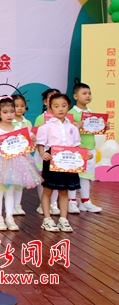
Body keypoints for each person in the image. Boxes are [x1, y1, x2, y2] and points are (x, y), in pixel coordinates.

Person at [0, 96, 42, 231]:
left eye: (12, 111)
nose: (9, 115)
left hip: (16, 163)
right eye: (5, 112)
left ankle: (9, 217)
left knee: (10, 192)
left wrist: (32, 139)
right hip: (0, 162)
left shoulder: (19, 128)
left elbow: (27, 144)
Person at [36, 93, 85, 232]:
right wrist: (42, 153)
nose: (60, 109)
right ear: (50, 107)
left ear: (68, 106)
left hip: (68, 162)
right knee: (48, 189)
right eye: (56, 106)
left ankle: (63, 219)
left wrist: (85, 155)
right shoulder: (46, 127)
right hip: (52, 160)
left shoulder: (72, 127)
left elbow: (76, 146)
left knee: (64, 190)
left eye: (64, 105)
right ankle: (47, 219)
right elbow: (40, 143)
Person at [68, 83, 103, 213]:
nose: (87, 96)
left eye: (89, 93)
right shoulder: (71, 113)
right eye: (84, 93)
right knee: (74, 175)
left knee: (86, 176)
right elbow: (67, 132)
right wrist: (76, 125)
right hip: (76, 149)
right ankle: (71, 202)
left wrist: (102, 126)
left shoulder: (90, 112)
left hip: (90, 148)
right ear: (75, 96)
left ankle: (85, 202)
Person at [34, 88, 61, 216]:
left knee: (56, 179)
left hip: (58, 155)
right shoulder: (40, 117)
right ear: (45, 102)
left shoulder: (64, 118)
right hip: (43, 153)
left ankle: (53, 203)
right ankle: (42, 203)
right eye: (51, 98)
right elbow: (36, 137)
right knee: (43, 179)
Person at [11, 94, 32, 215]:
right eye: (16, 106)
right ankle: (10, 205)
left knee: (20, 182)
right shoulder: (9, 121)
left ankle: (17, 205)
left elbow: (30, 138)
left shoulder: (27, 122)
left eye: (22, 106)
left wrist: (32, 138)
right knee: (11, 181)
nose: (19, 108)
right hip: (10, 157)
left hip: (23, 156)